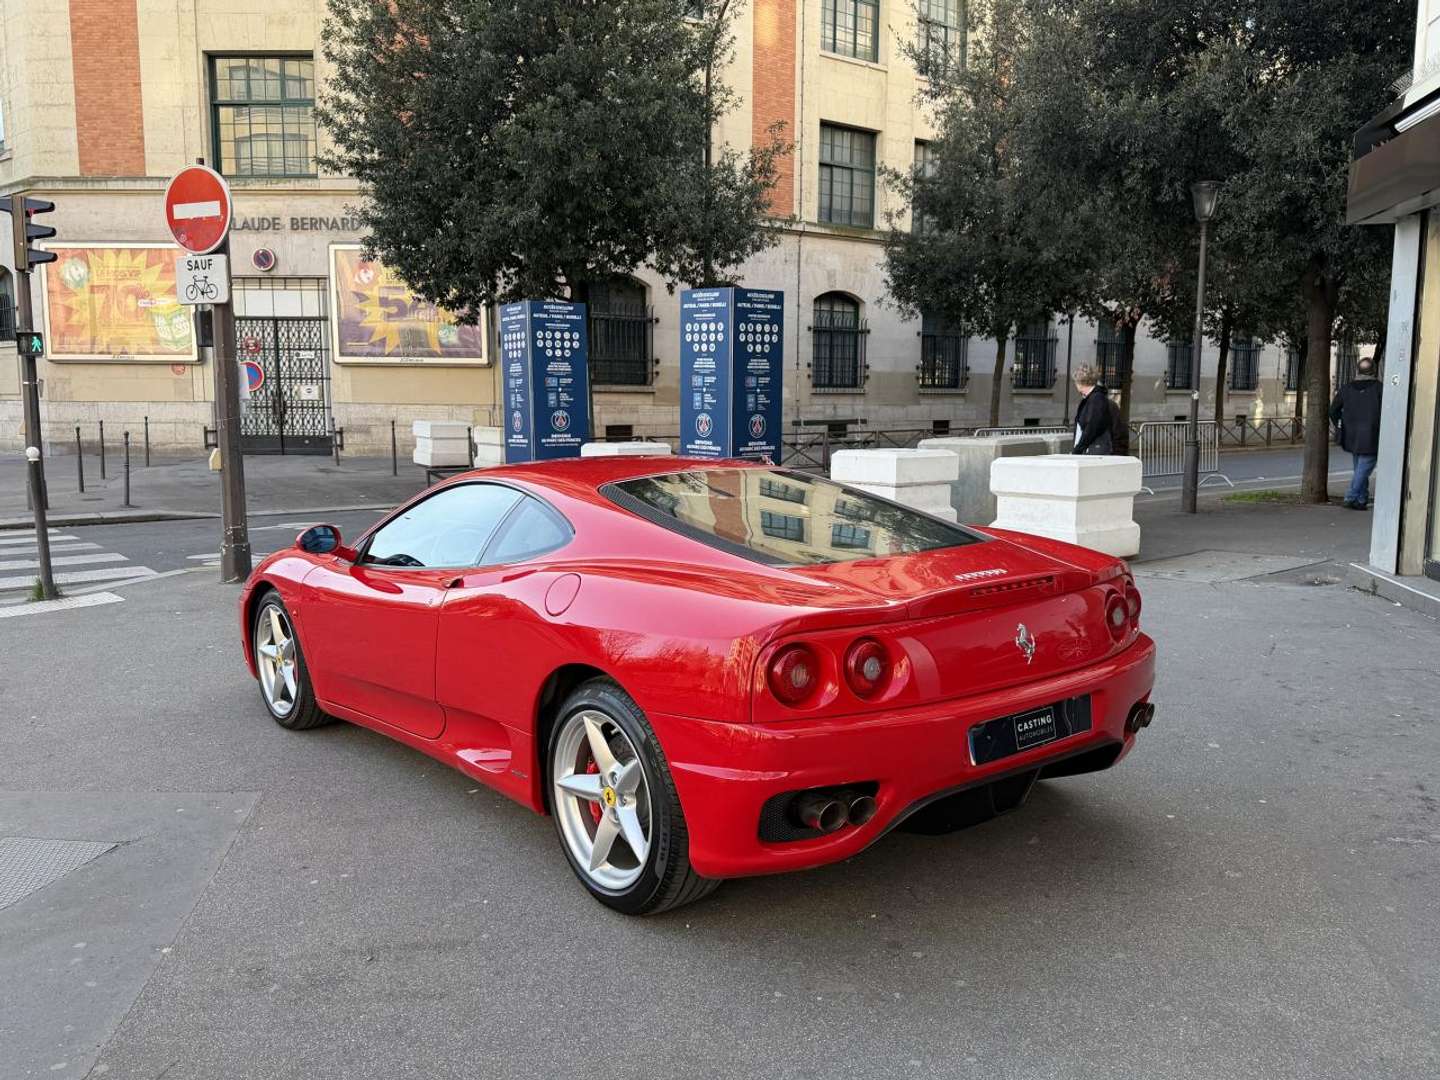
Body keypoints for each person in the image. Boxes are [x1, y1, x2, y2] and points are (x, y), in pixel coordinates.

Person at [1329, 356, 1383, 510]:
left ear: (1357, 370)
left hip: (1351, 435)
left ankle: (1360, 500)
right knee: (1363, 469)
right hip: (1372, 435)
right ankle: (1351, 496)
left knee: (1360, 468)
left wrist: (1342, 424)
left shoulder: (1346, 388)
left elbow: (1333, 410)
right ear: (1374, 370)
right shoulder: (1380, 388)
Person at [1071, 365, 1114, 455]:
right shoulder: (1092, 398)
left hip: (1095, 449)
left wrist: (1078, 449)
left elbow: (1092, 427)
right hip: (1092, 448)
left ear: (1080, 382)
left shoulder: (1096, 399)